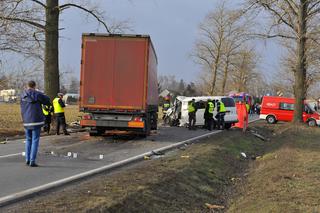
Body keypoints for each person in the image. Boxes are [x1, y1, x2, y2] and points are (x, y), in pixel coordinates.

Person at [20, 80, 50, 167]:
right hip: (36, 121)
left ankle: (27, 159)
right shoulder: (38, 94)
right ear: (34, 86)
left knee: (28, 140)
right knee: (35, 140)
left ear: (27, 85)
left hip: (26, 120)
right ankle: (32, 160)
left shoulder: (22, 95)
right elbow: (47, 101)